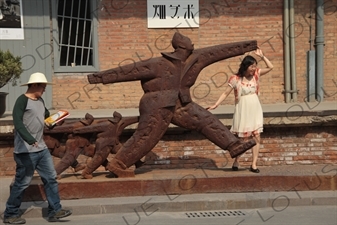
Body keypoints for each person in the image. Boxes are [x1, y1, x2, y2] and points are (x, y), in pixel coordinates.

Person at [87, 32, 258, 177]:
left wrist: (247, 46)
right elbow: (127, 71)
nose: (193, 43)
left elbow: (219, 51)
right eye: (189, 42)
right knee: (146, 137)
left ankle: (234, 145)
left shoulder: (196, 59)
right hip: (157, 105)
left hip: (181, 104)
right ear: (183, 47)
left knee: (205, 119)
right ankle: (118, 164)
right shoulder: (158, 64)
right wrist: (99, 78)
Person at [3, 72, 72, 224]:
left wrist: (56, 120)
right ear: (34, 85)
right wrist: (29, 139)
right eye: (43, 86)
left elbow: (47, 120)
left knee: (51, 178)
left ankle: (55, 210)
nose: (44, 89)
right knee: (22, 183)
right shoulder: (21, 101)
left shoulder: (40, 101)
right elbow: (18, 123)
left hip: (41, 149)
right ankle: (10, 214)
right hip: (25, 152)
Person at [208, 47, 273, 173]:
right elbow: (225, 93)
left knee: (256, 136)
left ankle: (254, 164)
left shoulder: (256, 75)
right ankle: (237, 161)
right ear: (246, 66)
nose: (254, 68)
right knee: (243, 139)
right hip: (243, 108)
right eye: (252, 66)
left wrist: (263, 56)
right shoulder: (235, 79)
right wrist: (216, 104)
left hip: (254, 107)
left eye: (255, 66)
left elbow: (271, 67)